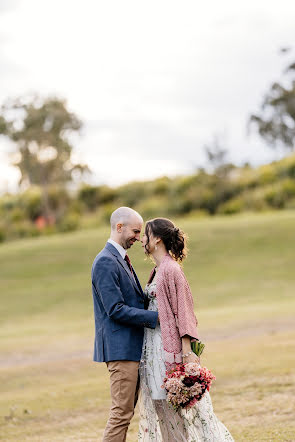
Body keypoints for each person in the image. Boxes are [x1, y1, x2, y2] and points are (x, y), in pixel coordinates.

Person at [138, 217, 234, 441]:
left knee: (175, 413)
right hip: (153, 351)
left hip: (167, 352)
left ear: (157, 239)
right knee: (163, 412)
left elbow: (185, 313)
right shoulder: (157, 270)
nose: (142, 239)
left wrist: (187, 354)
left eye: (146, 234)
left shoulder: (171, 270)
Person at [91, 207, 158, 442]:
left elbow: (133, 299)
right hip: (120, 350)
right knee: (121, 414)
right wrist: (157, 318)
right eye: (135, 231)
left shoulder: (119, 260)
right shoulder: (105, 262)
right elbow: (115, 309)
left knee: (125, 413)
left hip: (130, 348)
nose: (138, 238)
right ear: (119, 227)